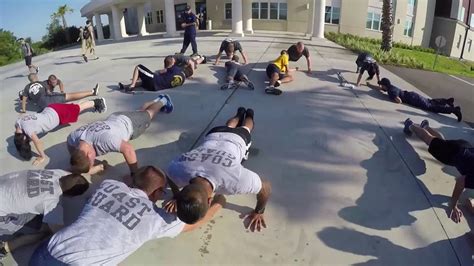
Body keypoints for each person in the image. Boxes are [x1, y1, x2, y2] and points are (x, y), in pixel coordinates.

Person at [29, 166, 225, 265]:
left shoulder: (108, 185)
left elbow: (128, 182)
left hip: (45, 251)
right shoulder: (158, 220)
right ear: (157, 194)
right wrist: (217, 204)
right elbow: (194, 222)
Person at [165, 107, 272, 232]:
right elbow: (169, 174)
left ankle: (249, 115)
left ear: (210, 200)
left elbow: (265, 187)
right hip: (214, 134)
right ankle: (240, 114)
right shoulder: (179, 171)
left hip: (238, 139)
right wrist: (176, 195)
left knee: (246, 128)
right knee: (229, 126)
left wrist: (259, 211)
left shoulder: (235, 181)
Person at [67, 95, 174, 175]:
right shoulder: (73, 137)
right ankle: (155, 101)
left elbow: (128, 149)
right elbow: (70, 147)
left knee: (149, 114)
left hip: (131, 124)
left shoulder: (105, 141)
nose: (93, 161)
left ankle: (163, 100)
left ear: (89, 154)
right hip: (115, 117)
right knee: (141, 112)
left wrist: (134, 175)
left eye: (92, 161)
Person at [0, 169, 89, 261]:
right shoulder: (52, 202)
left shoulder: (58, 172)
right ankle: (4, 248)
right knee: (44, 232)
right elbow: (60, 234)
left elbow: (77, 172)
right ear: (70, 196)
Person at [402, 118, 473, 224]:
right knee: (429, 139)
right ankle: (410, 125)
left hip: (465, 147)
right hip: (455, 154)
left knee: (441, 143)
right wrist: (453, 206)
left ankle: (425, 127)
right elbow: (460, 182)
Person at [14, 98, 107, 165]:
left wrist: (42, 156)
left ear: (25, 137)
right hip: (50, 109)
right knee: (74, 107)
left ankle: (97, 102)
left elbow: (38, 142)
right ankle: (91, 101)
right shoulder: (18, 123)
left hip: (58, 114)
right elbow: (27, 128)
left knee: (78, 108)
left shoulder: (27, 130)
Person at [377, 78, 462, 122]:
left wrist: (392, 99)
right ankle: (446, 102)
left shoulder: (391, 92)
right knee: (430, 101)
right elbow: (384, 89)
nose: (381, 87)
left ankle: (454, 110)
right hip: (413, 95)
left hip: (413, 100)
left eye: (381, 85)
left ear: (385, 85)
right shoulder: (391, 87)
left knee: (431, 107)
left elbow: (399, 101)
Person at [20, 73, 100, 113]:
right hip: (50, 98)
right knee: (70, 96)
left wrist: (23, 110)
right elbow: (48, 92)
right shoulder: (42, 83)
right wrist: (60, 94)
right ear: (36, 78)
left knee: (67, 109)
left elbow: (23, 101)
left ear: (29, 80)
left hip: (44, 106)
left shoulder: (26, 87)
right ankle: (92, 92)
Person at [118, 56, 192, 92]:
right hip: (155, 88)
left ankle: (132, 85)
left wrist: (171, 63)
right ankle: (125, 86)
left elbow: (162, 71)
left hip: (155, 80)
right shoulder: (182, 81)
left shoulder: (177, 69)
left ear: (185, 69)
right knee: (143, 81)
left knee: (138, 67)